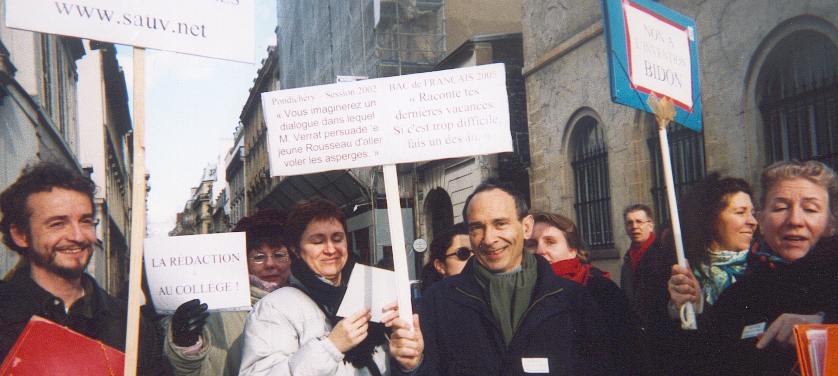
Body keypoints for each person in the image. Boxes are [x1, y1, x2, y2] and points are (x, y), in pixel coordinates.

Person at [386, 180, 614, 375]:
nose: (489, 238)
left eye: (500, 224)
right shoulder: (437, 301)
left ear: (526, 227)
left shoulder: (573, 299)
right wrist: (411, 366)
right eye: (477, 228)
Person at [695, 161, 838, 375]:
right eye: (780, 207)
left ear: (831, 223)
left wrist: (824, 328)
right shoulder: (736, 298)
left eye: (810, 209)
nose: (795, 220)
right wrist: (690, 314)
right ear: (761, 220)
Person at [239, 198, 408, 375]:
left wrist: (409, 363)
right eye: (317, 241)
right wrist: (330, 347)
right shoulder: (275, 307)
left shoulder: (370, 290)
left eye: (337, 239)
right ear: (296, 250)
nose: (330, 249)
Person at [0, 162, 126, 358]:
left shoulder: (128, 323)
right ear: (21, 235)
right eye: (57, 224)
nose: (77, 236)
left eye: (85, 221)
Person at [644, 173, 757, 375]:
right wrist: (681, 310)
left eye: (753, 212)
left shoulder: (762, 267)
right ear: (712, 219)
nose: (753, 221)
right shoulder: (676, 272)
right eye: (741, 212)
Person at [163, 209, 291, 376]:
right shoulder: (216, 316)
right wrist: (186, 345)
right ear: (243, 261)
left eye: (279, 255)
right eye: (258, 257)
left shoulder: (307, 300)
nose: (270, 264)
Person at [527, 211, 642, 375]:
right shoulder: (521, 293)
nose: (539, 250)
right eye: (532, 244)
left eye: (550, 242)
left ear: (572, 250)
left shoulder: (601, 290)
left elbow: (627, 354)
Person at [620, 204, 660, 304]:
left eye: (639, 222)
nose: (634, 227)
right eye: (630, 223)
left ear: (650, 225)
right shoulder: (627, 260)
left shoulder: (662, 254)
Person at [420, 222, 470, 291]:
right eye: (463, 253)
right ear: (440, 266)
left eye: (480, 252)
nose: (474, 258)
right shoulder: (432, 300)